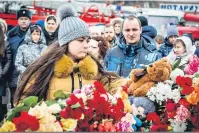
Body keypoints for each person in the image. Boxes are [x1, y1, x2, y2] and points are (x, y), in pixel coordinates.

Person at [14, 5, 126, 105]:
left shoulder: (93, 69)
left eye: (87, 40)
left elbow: (112, 84)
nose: (86, 45)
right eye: (81, 40)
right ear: (66, 42)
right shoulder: (46, 69)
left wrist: (129, 84)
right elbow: (24, 103)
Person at [7, 7, 32, 108]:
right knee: (14, 102)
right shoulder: (11, 35)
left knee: (29, 102)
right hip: (14, 75)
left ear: (30, 20)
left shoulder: (36, 34)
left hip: (30, 74)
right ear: (18, 20)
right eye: (21, 19)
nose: (23, 21)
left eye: (26, 19)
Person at [0, 25, 12, 121]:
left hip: (1, 78)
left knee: (1, 103)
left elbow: (8, 60)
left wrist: (2, 74)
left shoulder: (5, 44)